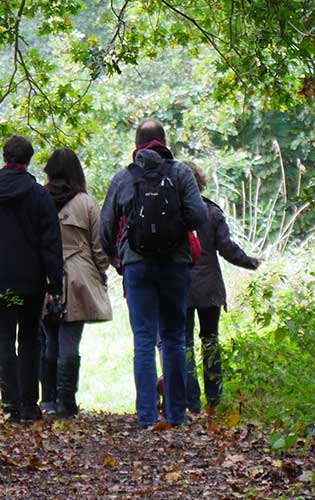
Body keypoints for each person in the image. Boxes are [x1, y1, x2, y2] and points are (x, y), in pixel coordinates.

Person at [99, 120, 206, 429]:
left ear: (137, 143)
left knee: (144, 340)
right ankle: (176, 415)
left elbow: (105, 227)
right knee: (173, 338)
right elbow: (198, 214)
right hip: (176, 265)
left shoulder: (124, 178)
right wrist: (176, 232)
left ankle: (146, 417)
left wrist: (118, 258)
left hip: (137, 265)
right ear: (164, 142)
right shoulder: (181, 173)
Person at [0, 135, 63, 422]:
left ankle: (9, 403)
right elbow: (51, 244)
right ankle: (30, 404)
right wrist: (54, 284)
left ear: (5, 156)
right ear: (29, 159)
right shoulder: (39, 195)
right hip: (32, 281)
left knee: (3, 340)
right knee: (31, 340)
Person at [36, 148, 112, 417]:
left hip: (44, 276)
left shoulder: (38, 198)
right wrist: (101, 273)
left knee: (49, 340)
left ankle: (48, 400)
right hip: (78, 276)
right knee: (70, 342)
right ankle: (66, 402)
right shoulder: (87, 203)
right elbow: (99, 246)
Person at [180, 161, 260, 414]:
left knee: (184, 344)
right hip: (209, 288)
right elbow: (226, 248)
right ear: (201, 183)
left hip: (180, 286)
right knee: (211, 340)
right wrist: (250, 262)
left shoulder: (172, 213)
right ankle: (214, 397)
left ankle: (190, 400)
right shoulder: (211, 213)